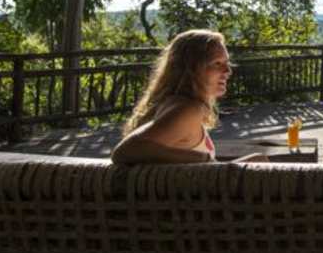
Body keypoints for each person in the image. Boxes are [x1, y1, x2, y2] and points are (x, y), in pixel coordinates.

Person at [111, 29, 262, 164]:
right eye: (217, 63)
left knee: (259, 159)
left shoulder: (174, 103)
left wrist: (215, 164)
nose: (228, 71)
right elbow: (126, 151)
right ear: (191, 68)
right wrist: (203, 159)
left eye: (226, 63)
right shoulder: (188, 110)